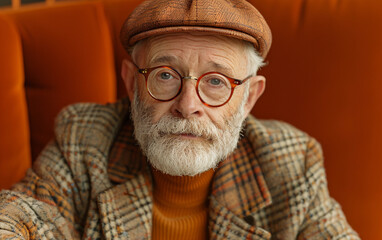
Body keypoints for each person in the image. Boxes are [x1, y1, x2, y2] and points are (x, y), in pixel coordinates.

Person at [0, 0, 359, 239]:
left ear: (249, 97)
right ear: (131, 82)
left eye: (216, 82)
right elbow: (25, 214)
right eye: (166, 75)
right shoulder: (84, 137)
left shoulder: (293, 161)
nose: (187, 106)